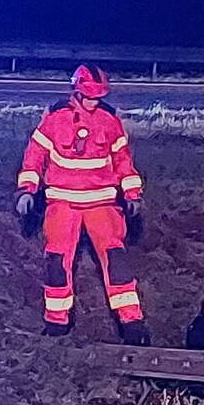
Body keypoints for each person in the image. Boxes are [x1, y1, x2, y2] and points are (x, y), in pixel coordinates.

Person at [15, 65, 150, 345]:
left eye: (97, 97)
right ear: (76, 91)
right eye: (88, 96)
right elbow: (34, 157)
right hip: (62, 203)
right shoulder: (55, 119)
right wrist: (26, 190)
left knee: (116, 261)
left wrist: (132, 194)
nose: (93, 102)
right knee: (57, 262)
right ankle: (56, 323)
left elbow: (123, 161)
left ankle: (132, 322)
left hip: (102, 203)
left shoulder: (109, 120)